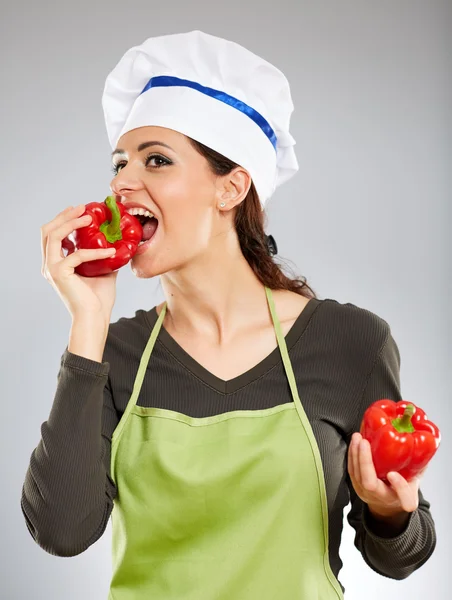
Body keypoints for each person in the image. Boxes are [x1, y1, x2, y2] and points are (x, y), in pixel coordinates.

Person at [21, 30, 436, 599]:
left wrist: (391, 513)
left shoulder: (350, 342)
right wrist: (87, 322)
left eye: (156, 160)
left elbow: (402, 557)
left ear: (232, 187)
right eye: (119, 164)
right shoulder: (113, 352)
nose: (121, 183)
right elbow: (62, 532)